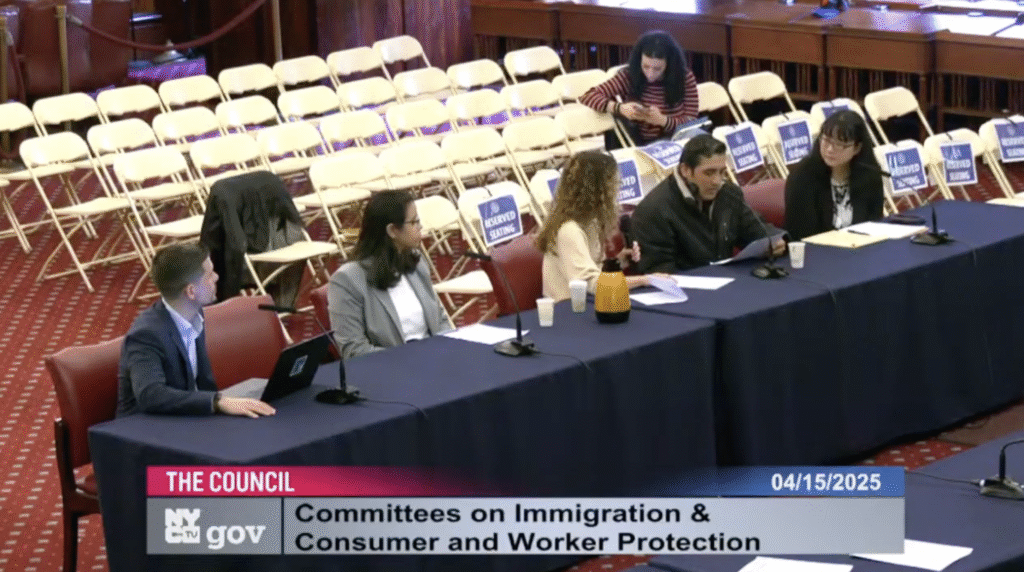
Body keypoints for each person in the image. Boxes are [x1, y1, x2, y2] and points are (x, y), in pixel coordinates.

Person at [116, 242, 276, 418]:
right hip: (146, 426)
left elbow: (202, 383)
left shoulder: (194, 313)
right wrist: (216, 402)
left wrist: (219, 404)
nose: (216, 277)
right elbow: (151, 395)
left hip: (185, 416)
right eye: (209, 275)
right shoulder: (146, 335)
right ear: (191, 292)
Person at [632, 134, 785, 273]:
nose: (717, 181)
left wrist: (774, 242)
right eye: (709, 173)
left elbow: (756, 230)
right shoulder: (653, 210)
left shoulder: (729, 193)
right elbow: (658, 270)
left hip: (728, 280)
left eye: (722, 172)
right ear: (685, 170)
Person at [328, 190, 453, 360]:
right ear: (392, 230)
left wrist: (449, 349)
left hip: (434, 358)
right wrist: (408, 358)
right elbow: (354, 350)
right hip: (392, 367)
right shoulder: (347, 280)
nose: (420, 226)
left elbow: (440, 320)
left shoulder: (416, 262)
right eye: (414, 222)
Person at [537, 151, 662, 301]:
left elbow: (594, 272)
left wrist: (619, 260)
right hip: (569, 308)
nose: (618, 189)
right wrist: (646, 280)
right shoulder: (569, 230)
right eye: (614, 184)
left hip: (587, 303)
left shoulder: (590, 222)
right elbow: (591, 284)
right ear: (598, 190)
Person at [579, 30, 699, 146]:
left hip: (675, 139)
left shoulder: (684, 77)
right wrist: (620, 108)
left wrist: (663, 121)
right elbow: (588, 96)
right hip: (638, 142)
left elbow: (691, 121)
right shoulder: (629, 75)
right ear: (639, 60)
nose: (650, 74)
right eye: (645, 66)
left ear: (670, 65)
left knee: (699, 137)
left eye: (657, 69)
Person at [784, 110, 884, 240]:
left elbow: (874, 224)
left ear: (857, 148)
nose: (830, 149)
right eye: (826, 140)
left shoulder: (870, 175)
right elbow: (800, 233)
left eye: (840, 144)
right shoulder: (802, 176)